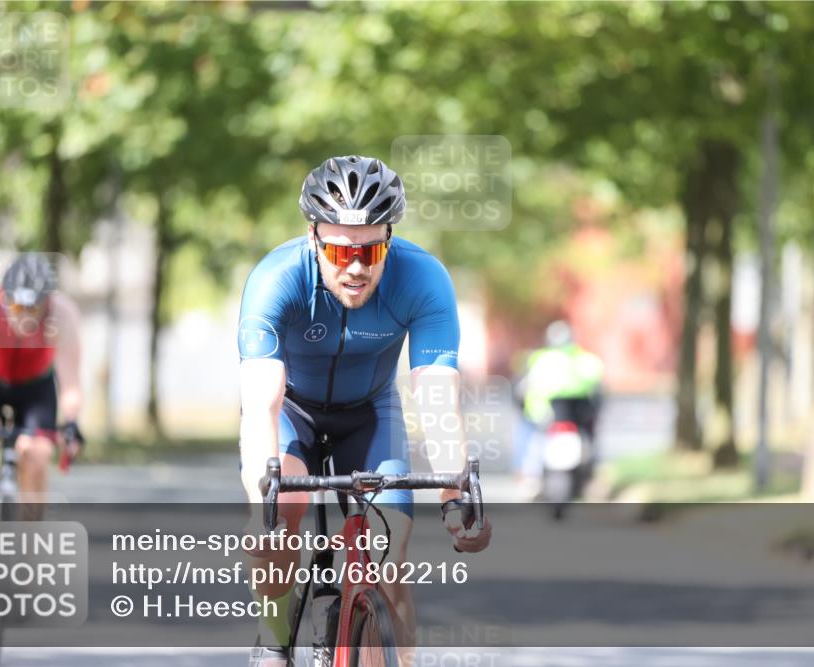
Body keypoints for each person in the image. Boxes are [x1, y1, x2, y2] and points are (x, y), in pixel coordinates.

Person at [237, 155, 491, 665]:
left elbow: (437, 396)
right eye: (338, 249)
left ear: (390, 239)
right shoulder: (276, 279)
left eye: (371, 250)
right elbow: (261, 405)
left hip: (371, 414)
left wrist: (454, 498)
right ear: (313, 237)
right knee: (281, 520)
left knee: (388, 556)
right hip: (293, 413)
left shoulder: (422, 279)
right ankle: (274, 639)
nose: (355, 267)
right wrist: (260, 513)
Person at [0, 253, 84, 534]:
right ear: (4, 296)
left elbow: (70, 380)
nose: (22, 315)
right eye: (15, 305)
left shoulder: (62, 314)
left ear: (46, 301)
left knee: (36, 455)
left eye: (31, 308)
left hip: (36, 387)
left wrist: (71, 422)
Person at [519, 320, 604, 482]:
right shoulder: (584, 359)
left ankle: (530, 477)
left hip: (553, 415)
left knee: (533, 441)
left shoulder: (539, 359)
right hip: (562, 415)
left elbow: (525, 389)